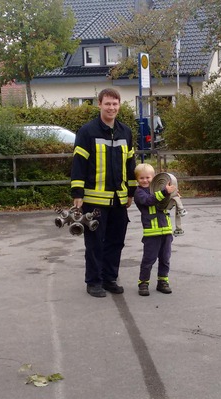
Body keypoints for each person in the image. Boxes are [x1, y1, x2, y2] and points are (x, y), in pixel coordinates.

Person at [70, 88, 137, 298]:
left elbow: (131, 164)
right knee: (95, 243)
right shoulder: (87, 131)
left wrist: (131, 192)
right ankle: (94, 281)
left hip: (119, 200)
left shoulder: (126, 132)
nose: (111, 108)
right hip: (94, 200)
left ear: (119, 105)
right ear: (99, 104)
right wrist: (77, 193)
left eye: (115, 104)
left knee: (116, 241)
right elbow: (79, 164)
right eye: (107, 104)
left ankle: (109, 278)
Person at [133, 163, 176, 296]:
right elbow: (148, 201)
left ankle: (163, 282)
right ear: (137, 179)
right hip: (151, 233)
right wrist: (164, 192)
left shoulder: (158, 189)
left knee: (165, 259)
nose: (145, 180)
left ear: (154, 177)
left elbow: (167, 205)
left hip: (166, 231)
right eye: (141, 178)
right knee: (149, 259)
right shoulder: (139, 193)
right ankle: (143, 283)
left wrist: (173, 196)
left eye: (148, 177)